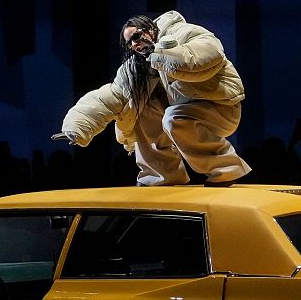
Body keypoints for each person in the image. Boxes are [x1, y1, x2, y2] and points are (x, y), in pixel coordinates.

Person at [53, 11, 251, 186]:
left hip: (219, 109)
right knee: (141, 110)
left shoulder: (185, 32)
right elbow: (111, 96)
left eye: (137, 36)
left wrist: (161, 53)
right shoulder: (136, 67)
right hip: (181, 116)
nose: (135, 43)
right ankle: (162, 176)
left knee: (174, 116)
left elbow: (207, 55)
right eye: (130, 42)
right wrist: (76, 126)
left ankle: (225, 170)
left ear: (150, 29)